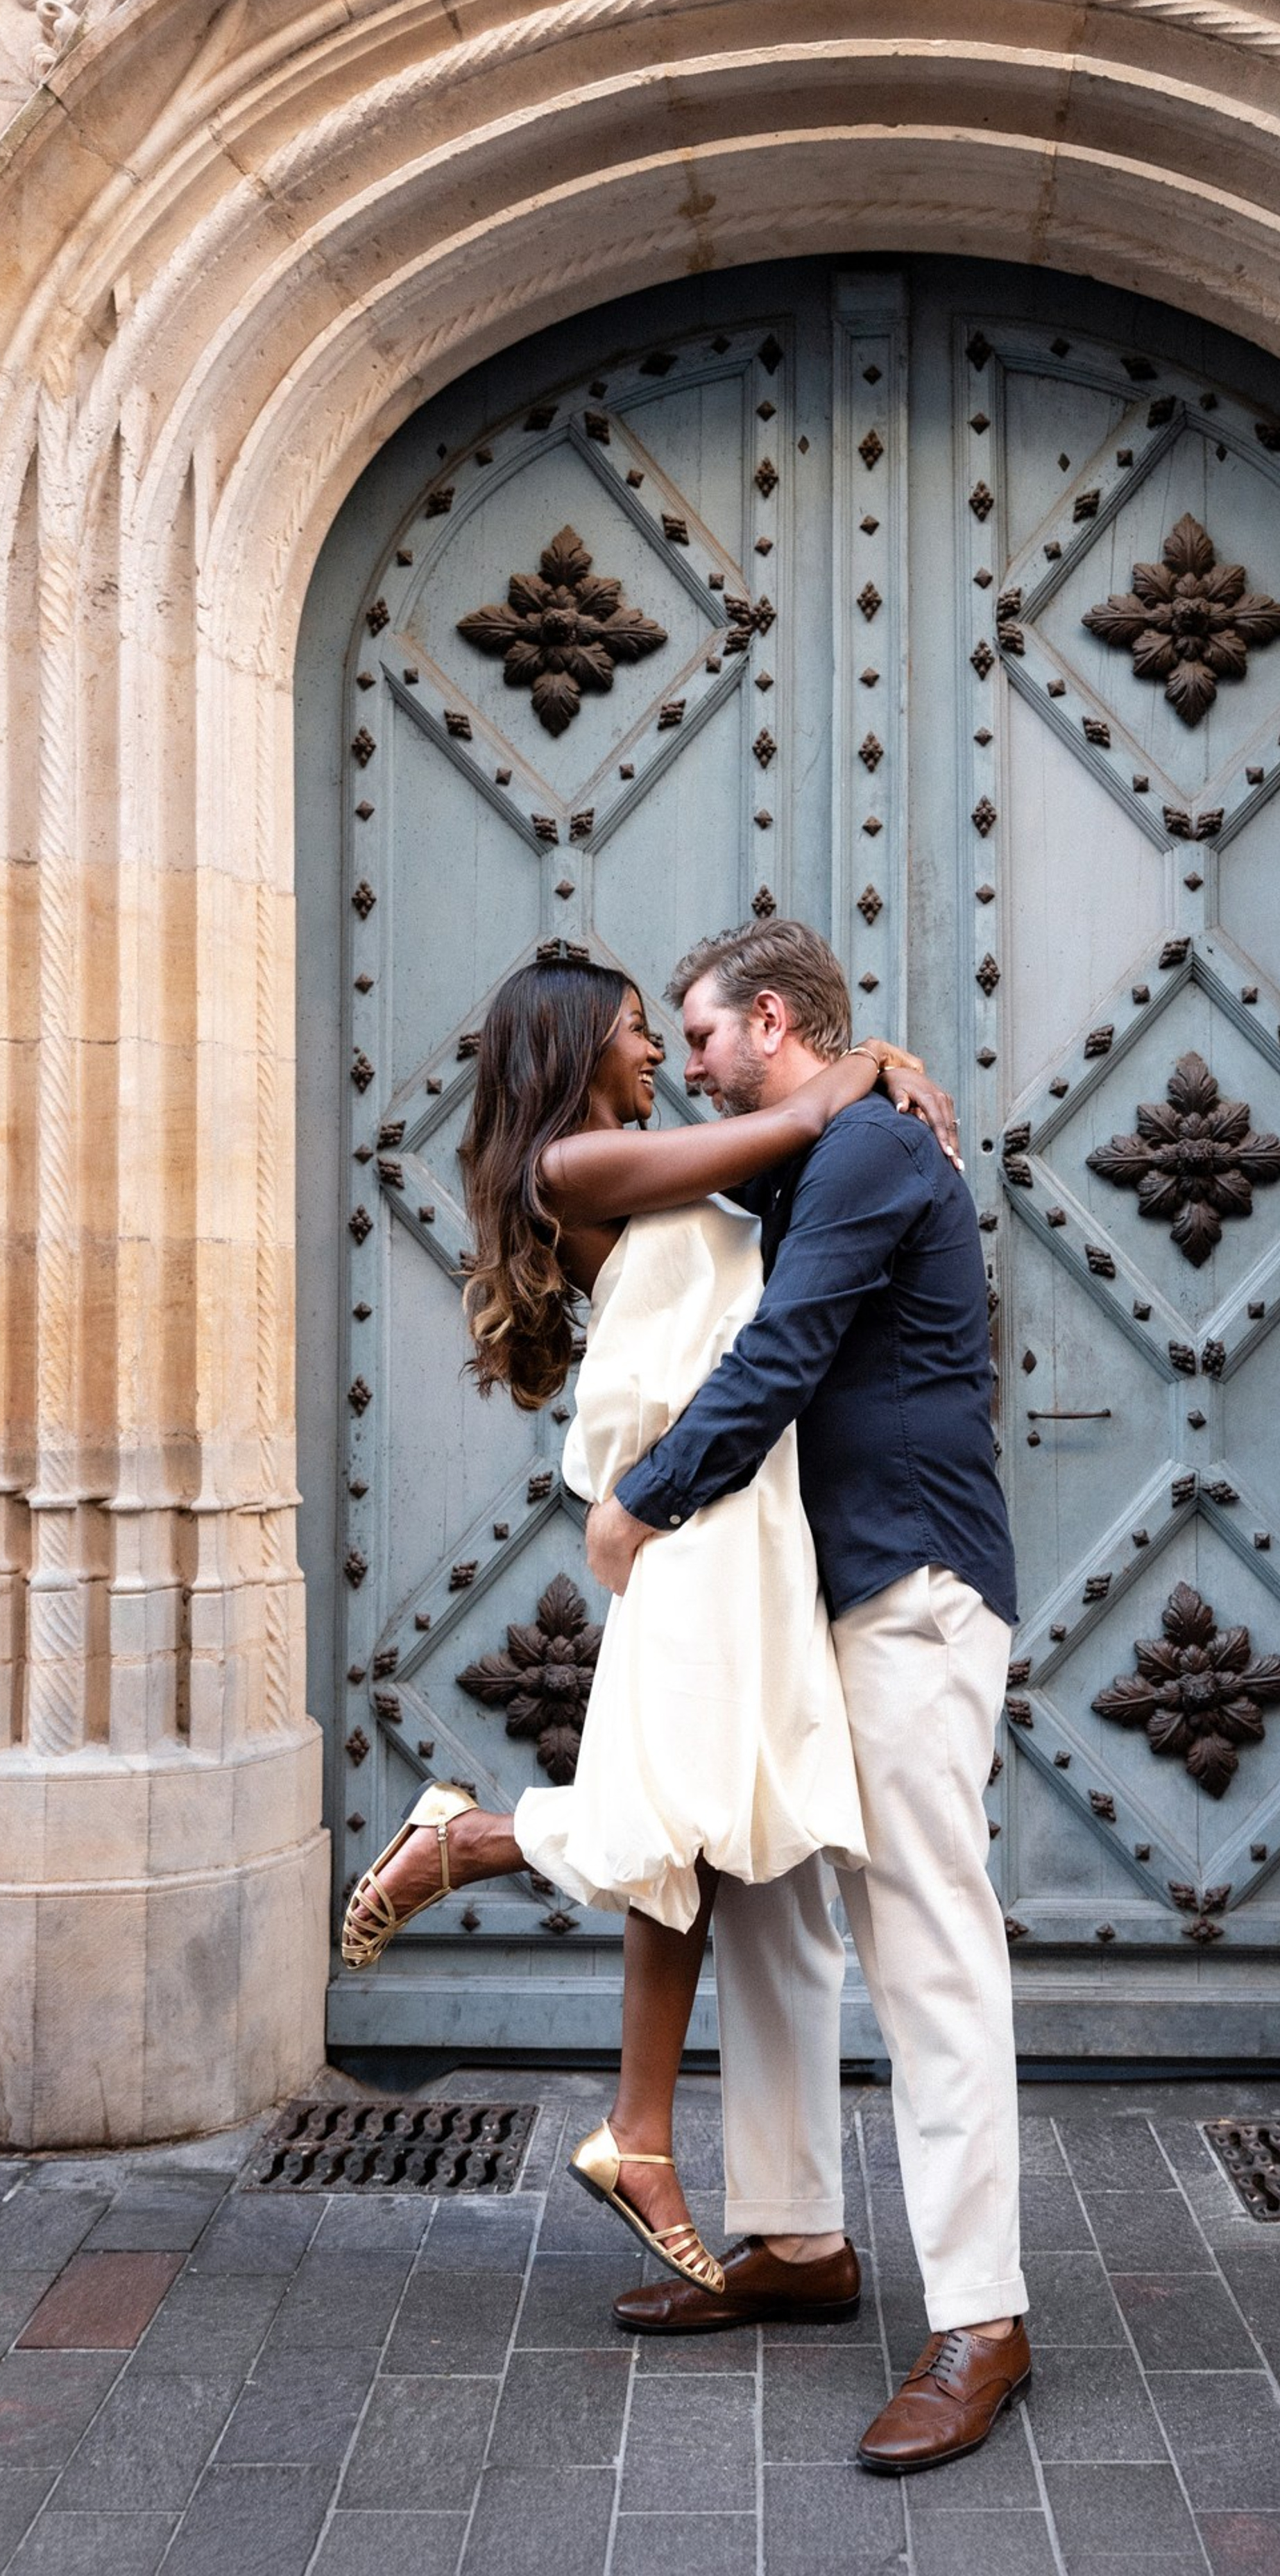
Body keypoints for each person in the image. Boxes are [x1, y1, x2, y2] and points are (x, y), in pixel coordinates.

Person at [338, 948, 954, 2298]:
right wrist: (878, 1064)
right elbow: (799, 1123)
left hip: (739, 1512)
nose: (658, 1056)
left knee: (712, 1828)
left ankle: (643, 2131)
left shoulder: (650, 1154)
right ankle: (474, 1849)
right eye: (633, 1033)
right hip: (688, 1519)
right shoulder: (576, 1167)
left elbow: (791, 1183)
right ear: (568, 1051)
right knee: (688, 1824)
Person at [583, 919, 1030, 2475]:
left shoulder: (870, 1163)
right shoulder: (828, 1139)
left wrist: (641, 1497)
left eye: (702, 1040)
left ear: (766, 1020)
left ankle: (981, 2317)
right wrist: (859, 1064)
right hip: (813, 1608)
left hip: (909, 1593)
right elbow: (699, 1186)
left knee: (926, 1943)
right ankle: (796, 2243)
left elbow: (782, 1348)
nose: (688, 1072)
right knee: (766, 1904)